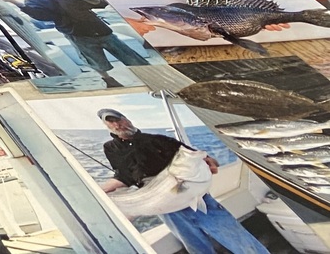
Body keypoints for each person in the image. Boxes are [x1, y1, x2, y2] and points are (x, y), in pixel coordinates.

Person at [97, 108, 270, 254]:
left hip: (189, 191)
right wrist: (103, 189)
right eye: (110, 122)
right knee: (195, 246)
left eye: (118, 120)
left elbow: (192, 154)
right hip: (162, 203)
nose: (117, 125)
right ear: (106, 126)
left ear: (127, 119)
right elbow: (124, 174)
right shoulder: (110, 148)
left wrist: (208, 159)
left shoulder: (159, 139)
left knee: (233, 235)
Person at [12, 0, 149, 87]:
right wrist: (15, 2)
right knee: (95, 62)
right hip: (78, 37)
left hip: (102, 31)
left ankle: (149, 75)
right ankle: (109, 80)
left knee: (131, 57)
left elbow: (102, 3)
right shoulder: (31, 3)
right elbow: (43, 16)